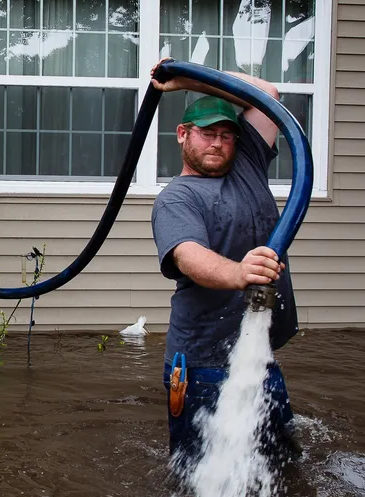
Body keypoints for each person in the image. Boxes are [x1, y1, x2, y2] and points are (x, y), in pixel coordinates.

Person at [148, 58, 300, 471]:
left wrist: (187, 81)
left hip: (257, 354)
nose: (218, 143)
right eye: (207, 133)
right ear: (183, 135)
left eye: (226, 135)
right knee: (197, 472)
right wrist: (238, 273)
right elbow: (188, 255)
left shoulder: (247, 163)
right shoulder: (176, 198)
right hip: (201, 364)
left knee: (280, 465)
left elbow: (266, 94)